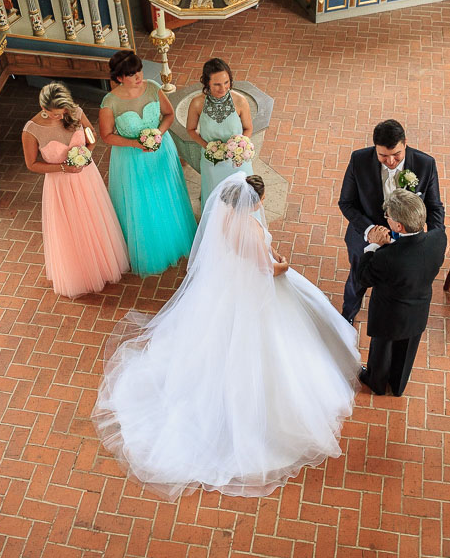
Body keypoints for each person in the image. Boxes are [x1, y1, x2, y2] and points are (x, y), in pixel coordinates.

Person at [92, 174, 361, 499]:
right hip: (255, 296)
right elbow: (266, 269)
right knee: (267, 349)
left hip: (228, 292)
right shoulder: (249, 228)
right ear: (254, 201)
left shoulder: (226, 221)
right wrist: (283, 265)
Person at [21, 82, 130, 298]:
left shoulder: (75, 112)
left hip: (87, 177)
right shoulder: (31, 130)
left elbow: (92, 137)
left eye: (62, 113)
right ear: (43, 109)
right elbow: (32, 164)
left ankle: (103, 264)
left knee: (95, 220)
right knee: (72, 229)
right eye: (54, 114)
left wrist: (85, 153)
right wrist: (63, 167)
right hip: (60, 186)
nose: (60, 118)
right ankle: (81, 273)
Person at [98, 50, 196, 276]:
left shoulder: (153, 87)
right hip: (132, 160)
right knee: (141, 200)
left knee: (166, 192)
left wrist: (158, 134)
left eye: (139, 70)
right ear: (120, 77)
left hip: (161, 151)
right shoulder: (110, 102)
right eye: (131, 74)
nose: (138, 76)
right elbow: (107, 136)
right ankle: (149, 245)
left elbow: (168, 115)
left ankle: (172, 236)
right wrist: (136, 144)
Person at [338, 119, 444, 323]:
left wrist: (436, 236)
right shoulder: (359, 160)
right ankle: (347, 316)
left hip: (407, 241)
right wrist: (369, 230)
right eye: (383, 156)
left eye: (396, 154)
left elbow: (434, 206)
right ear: (375, 148)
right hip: (367, 238)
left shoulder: (425, 164)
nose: (391, 161)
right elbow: (346, 202)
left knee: (395, 284)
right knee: (357, 280)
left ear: (405, 143)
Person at [357, 190, 446, 397]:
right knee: (407, 352)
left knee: (381, 352)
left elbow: (363, 278)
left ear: (399, 226)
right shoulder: (439, 238)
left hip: (389, 314)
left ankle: (376, 383)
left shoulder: (385, 257)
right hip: (418, 311)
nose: (386, 218)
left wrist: (373, 247)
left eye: (388, 216)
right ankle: (398, 386)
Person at [186, 58, 254, 205]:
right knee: (215, 202)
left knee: (242, 201)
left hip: (237, 162)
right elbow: (190, 130)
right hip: (212, 163)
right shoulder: (197, 103)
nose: (223, 88)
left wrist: (239, 146)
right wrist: (208, 147)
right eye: (217, 84)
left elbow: (248, 128)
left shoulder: (240, 101)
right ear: (207, 83)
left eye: (226, 82)